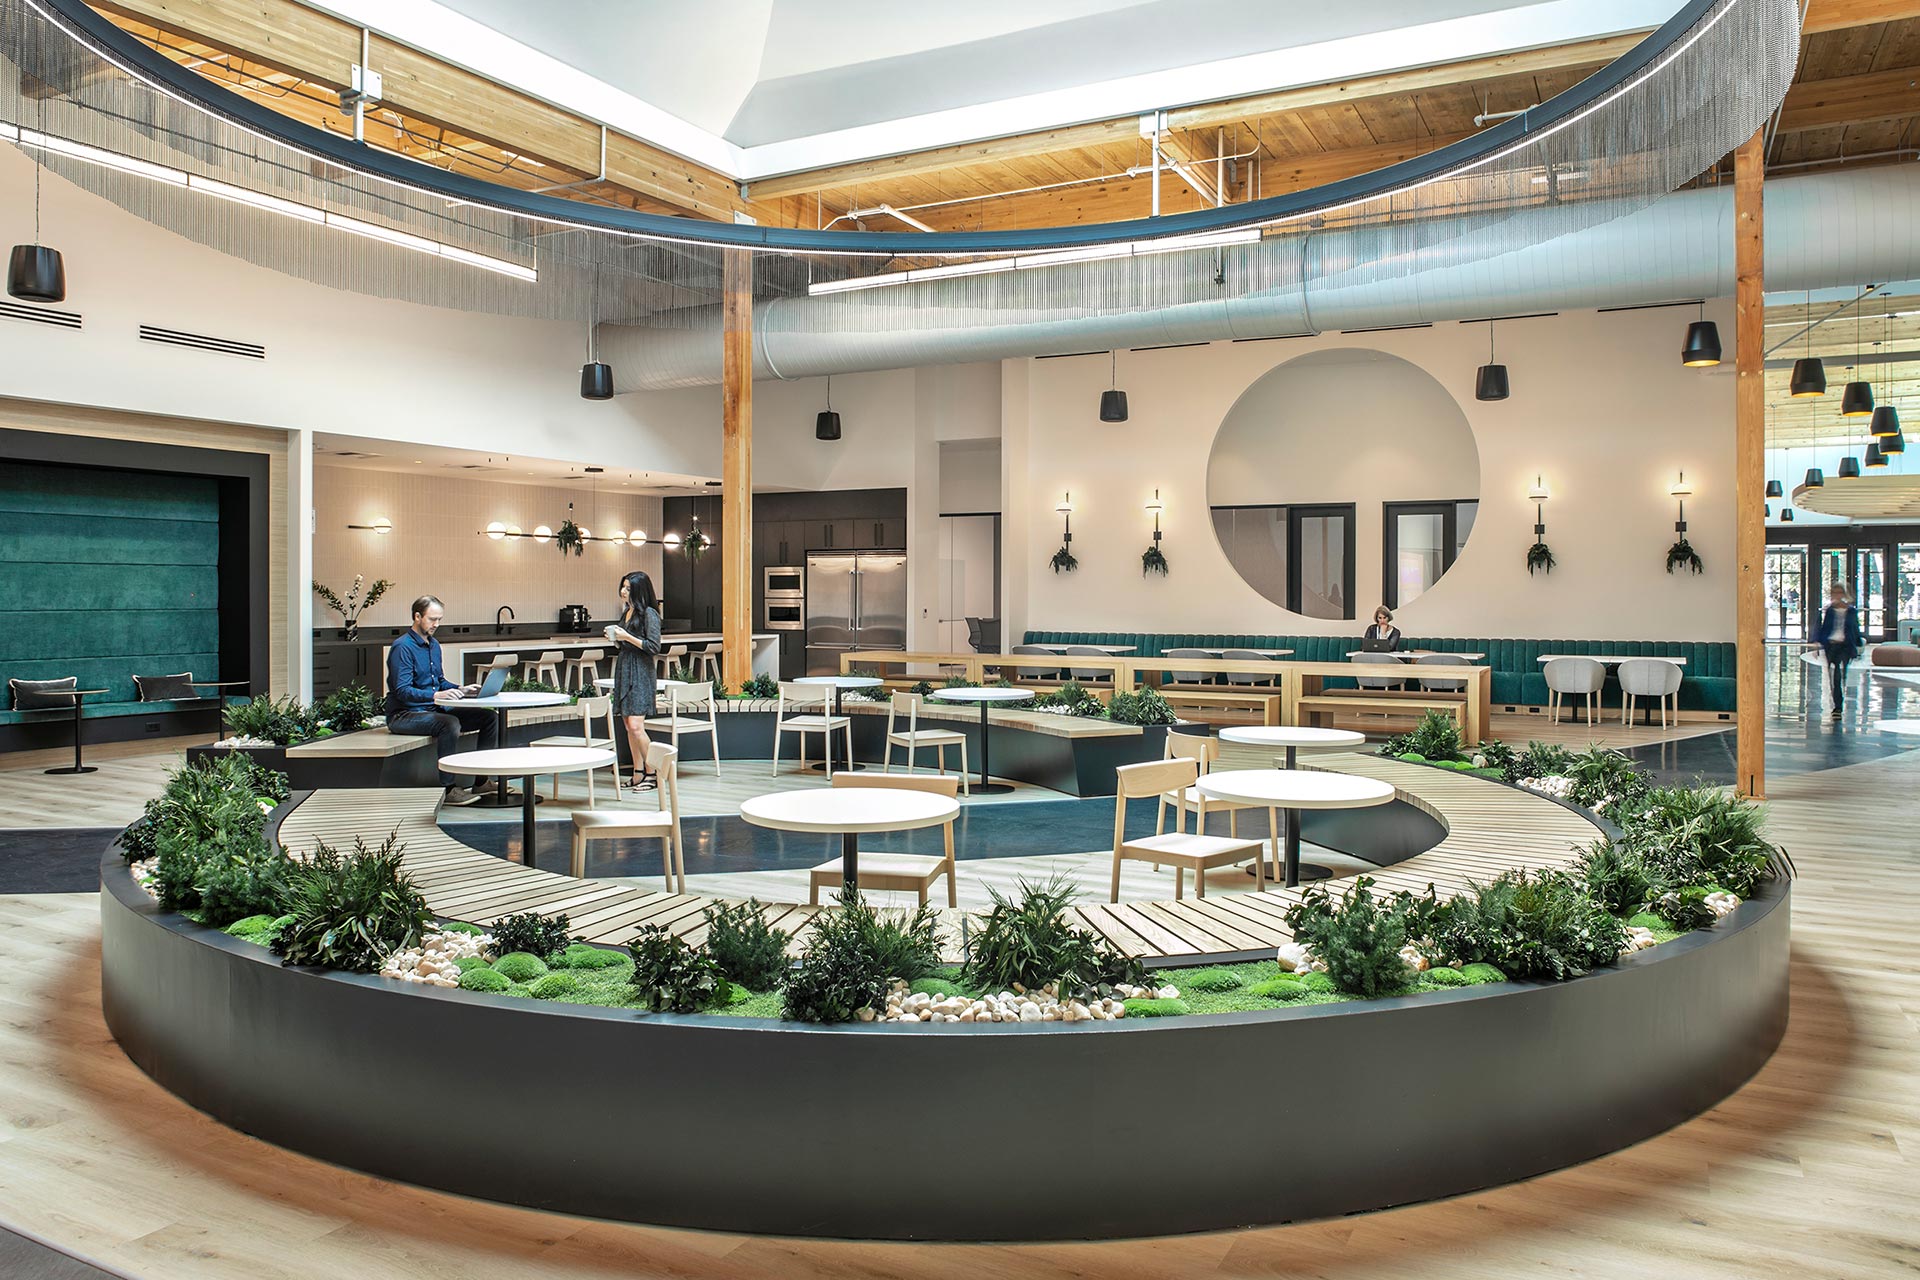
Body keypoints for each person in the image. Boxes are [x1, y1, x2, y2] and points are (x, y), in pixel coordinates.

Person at [386, 594, 498, 803]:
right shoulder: (402, 647)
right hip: (404, 715)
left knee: (489, 718)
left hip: (432, 710)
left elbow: (439, 681)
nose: (436, 624)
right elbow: (402, 690)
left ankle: (481, 782)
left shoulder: (434, 645)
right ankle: (448, 789)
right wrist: (436, 695)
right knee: (449, 723)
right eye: (432, 619)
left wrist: (461, 689)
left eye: (439, 619)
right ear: (417, 616)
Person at [605, 570, 662, 790]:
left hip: (641, 672)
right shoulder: (628, 612)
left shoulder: (650, 614)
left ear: (639, 590)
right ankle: (638, 772)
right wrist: (616, 640)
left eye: (628, 587)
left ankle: (653, 773)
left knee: (637, 726)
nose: (623, 591)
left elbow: (653, 647)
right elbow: (628, 644)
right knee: (629, 725)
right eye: (623, 586)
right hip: (625, 668)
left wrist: (627, 636)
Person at [1811, 583, 1862, 718]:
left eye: (1839, 592)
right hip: (1831, 646)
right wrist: (1817, 644)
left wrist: (1859, 645)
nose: (1837, 595)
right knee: (1835, 676)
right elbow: (1824, 629)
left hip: (1845, 646)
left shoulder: (1851, 611)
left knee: (1842, 675)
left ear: (1844, 594)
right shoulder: (1829, 611)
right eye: (1834, 592)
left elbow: (1855, 629)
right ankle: (1837, 706)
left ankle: (1839, 700)